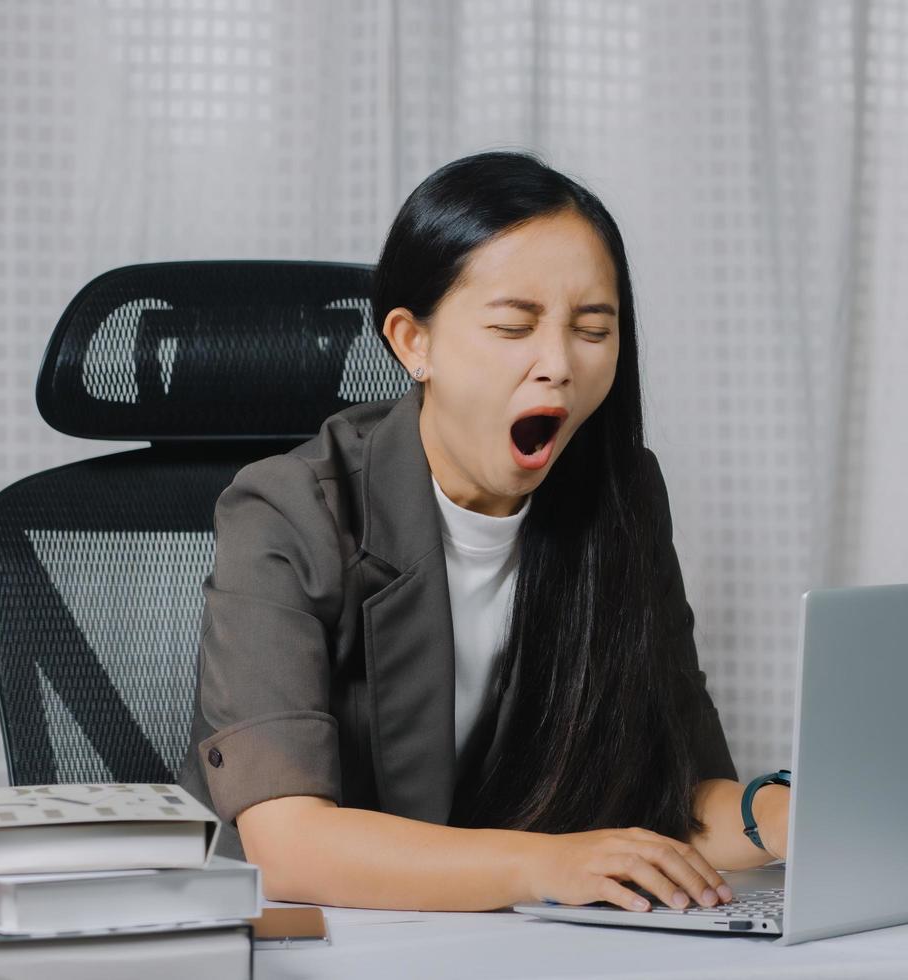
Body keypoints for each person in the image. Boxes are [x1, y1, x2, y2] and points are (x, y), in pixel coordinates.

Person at [177, 149, 792, 914]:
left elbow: (676, 802)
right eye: (513, 326)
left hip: (511, 943)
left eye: (592, 330)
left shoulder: (622, 496)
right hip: (313, 941)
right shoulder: (286, 510)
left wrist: (783, 817)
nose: (558, 364)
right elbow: (290, 843)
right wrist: (549, 865)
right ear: (413, 342)